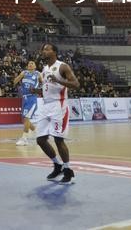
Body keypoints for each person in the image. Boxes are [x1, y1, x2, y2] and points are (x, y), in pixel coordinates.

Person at [34, 43, 80, 184]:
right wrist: (36, 91)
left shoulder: (62, 67)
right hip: (45, 105)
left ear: (54, 52)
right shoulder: (44, 69)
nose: (44, 51)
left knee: (58, 140)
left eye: (47, 49)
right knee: (40, 140)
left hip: (58, 106)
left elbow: (76, 84)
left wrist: (59, 80)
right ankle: (57, 164)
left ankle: (68, 170)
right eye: (43, 49)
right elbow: (47, 88)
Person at [13, 60, 42, 146]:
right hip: (24, 98)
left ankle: (24, 139)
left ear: (35, 66)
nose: (30, 64)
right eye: (29, 63)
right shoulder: (24, 72)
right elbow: (15, 81)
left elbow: (44, 84)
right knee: (25, 120)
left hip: (32, 98)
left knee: (26, 118)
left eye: (32, 63)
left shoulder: (38, 74)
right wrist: (19, 78)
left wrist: (38, 90)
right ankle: (39, 133)